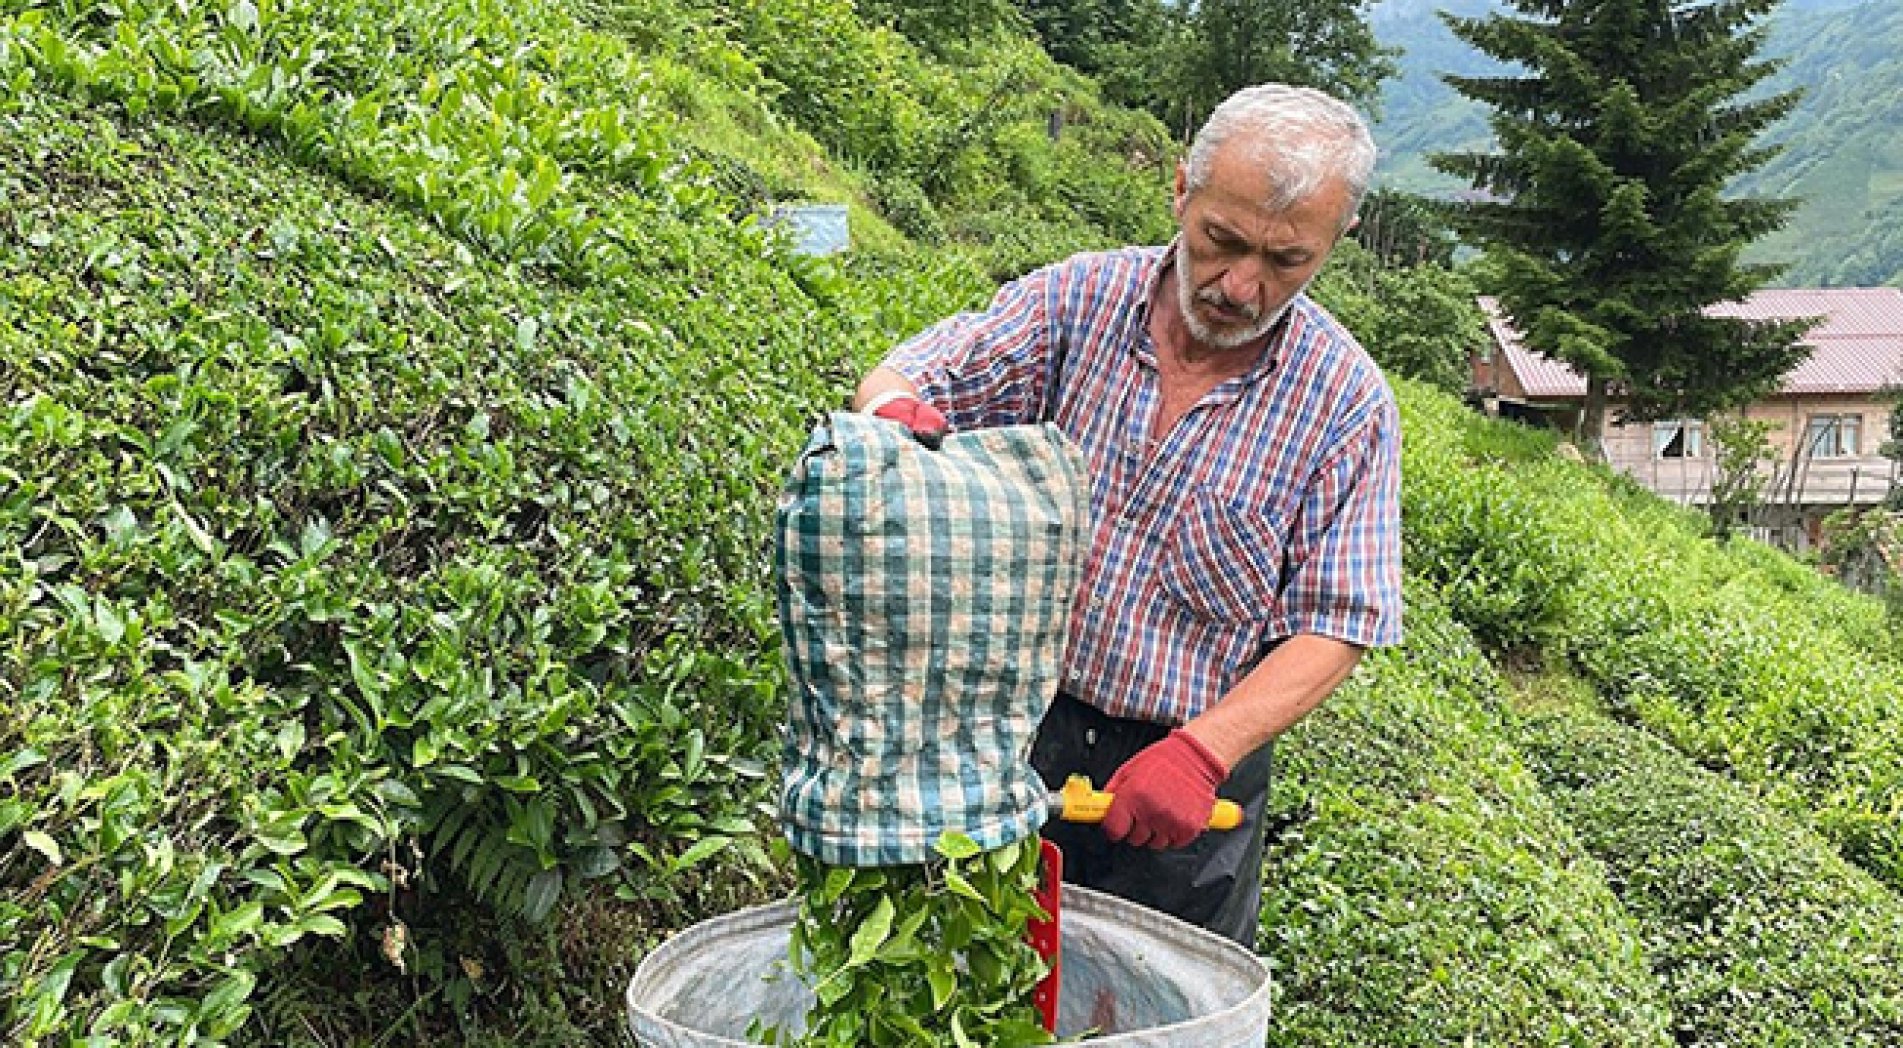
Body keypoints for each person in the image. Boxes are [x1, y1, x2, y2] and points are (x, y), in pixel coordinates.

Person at [851, 83, 1403, 947]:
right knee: (953, 974)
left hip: (1182, 787)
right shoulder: (1076, 303)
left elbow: (1338, 622)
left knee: (1148, 1011)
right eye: (1220, 241)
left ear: (1336, 243)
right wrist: (892, 415)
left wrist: (1204, 751)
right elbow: (910, 377)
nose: (1240, 285)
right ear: (1182, 190)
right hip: (1005, 737)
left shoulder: (1344, 403)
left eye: (1286, 261)